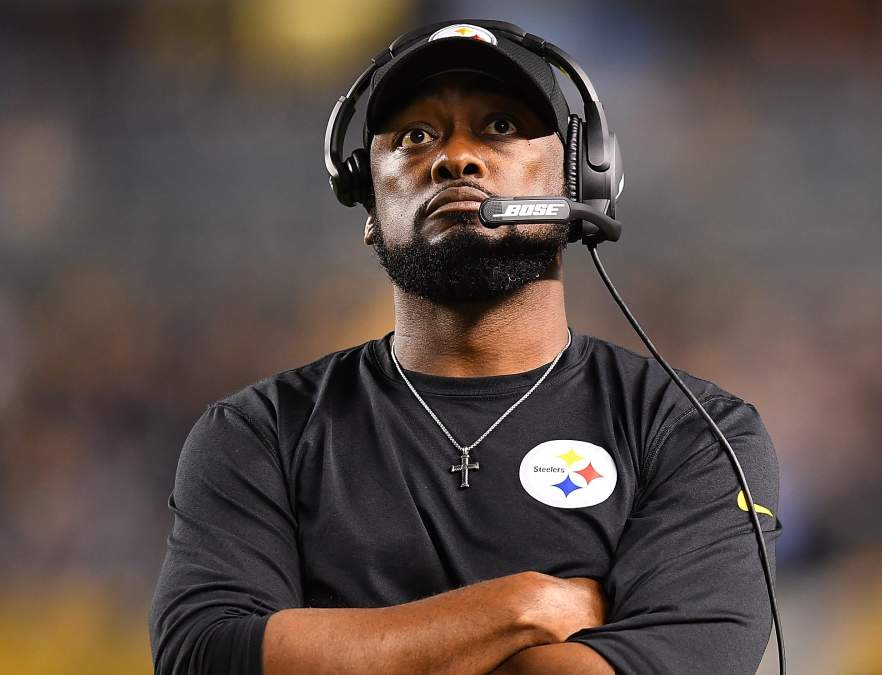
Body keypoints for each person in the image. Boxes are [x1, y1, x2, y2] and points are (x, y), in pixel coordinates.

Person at [149, 19, 782, 675]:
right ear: (367, 203)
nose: (456, 159)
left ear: (581, 178)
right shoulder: (259, 433)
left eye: (500, 127)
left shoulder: (699, 433)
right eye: (415, 136)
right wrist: (521, 607)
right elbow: (202, 656)